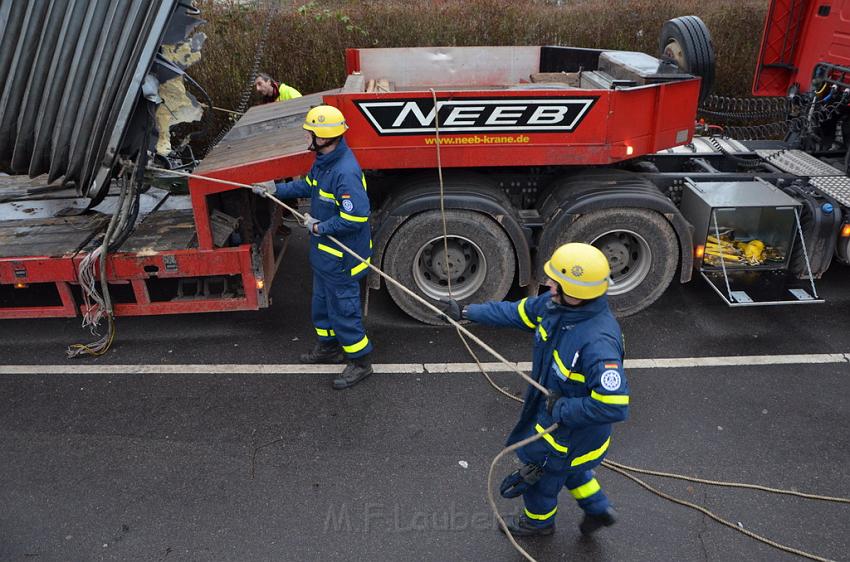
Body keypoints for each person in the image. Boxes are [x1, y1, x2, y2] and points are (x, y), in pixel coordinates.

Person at [438, 243, 629, 537]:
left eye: (556, 281)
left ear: (576, 291)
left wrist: (561, 408)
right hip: (567, 435)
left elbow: (613, 406)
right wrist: (466, 312)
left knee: (539, 480)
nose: (549, 284)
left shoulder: (597, 343)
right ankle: (599, 508)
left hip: (568, 433)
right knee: (573, 471)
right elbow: (515, 313)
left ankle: (538, 524)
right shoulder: (557, 306)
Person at [252, 105, 373, 389]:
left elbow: (355, 217)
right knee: (321, 305)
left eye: (311, 133)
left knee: (344, 309)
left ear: (324, 136)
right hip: (325, 256)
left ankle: (360, 362)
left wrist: (319, 227)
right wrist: (274, 190)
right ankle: (329, 348)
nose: (307, 136)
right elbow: (308, 185)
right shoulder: (324, 160)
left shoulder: (345, 173)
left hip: (342, 258)